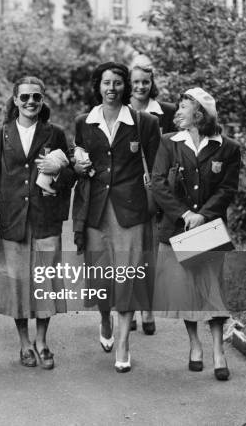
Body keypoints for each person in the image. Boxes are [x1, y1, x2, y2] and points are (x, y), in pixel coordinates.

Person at [0, 76, 76, 370]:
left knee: (45, 283)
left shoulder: (55, 133)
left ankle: (42, 340)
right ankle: (23, 342)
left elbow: (72, 177)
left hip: (46, 220)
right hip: (12, 220)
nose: (31, 102)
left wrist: (58, 171)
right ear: (15, 100)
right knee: (18, 285)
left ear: (43, 100)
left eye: (36, 97)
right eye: (25, 97)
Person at [73, 62, 160, 372]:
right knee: (100, 277)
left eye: (118, 83)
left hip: (131, 211)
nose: (112, 88)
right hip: (95, 211)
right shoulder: (84, 122)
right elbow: (79, 163)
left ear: (125, 87)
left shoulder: (144, 122)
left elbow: (157, 169)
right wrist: (77, 167)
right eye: (106, 83)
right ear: (98, 86)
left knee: (127, 275)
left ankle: (123, 343)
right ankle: (104, 318)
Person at [151, 87, 240, 381]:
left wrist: (203, 214)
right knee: (186, 293)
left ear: (199, 114)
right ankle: (194, 346)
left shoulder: (227, 148)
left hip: (209, 230)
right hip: (178, 229)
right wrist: (184, 213)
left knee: (212, 293)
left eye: (184, 108)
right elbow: (159, 183)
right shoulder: (169, 143)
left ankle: (218, 352)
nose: (177, 112)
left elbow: (227, 189)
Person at [128, 64, 177, 335]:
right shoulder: (121, 111)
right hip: (127, 189)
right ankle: (130, 308)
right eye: (135, 82)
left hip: (159, 188)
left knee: (151, 252)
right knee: (130, 250)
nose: (140, 87)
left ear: (151, 83)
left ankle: (146, 307)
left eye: (145, 82)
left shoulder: (166, 112)